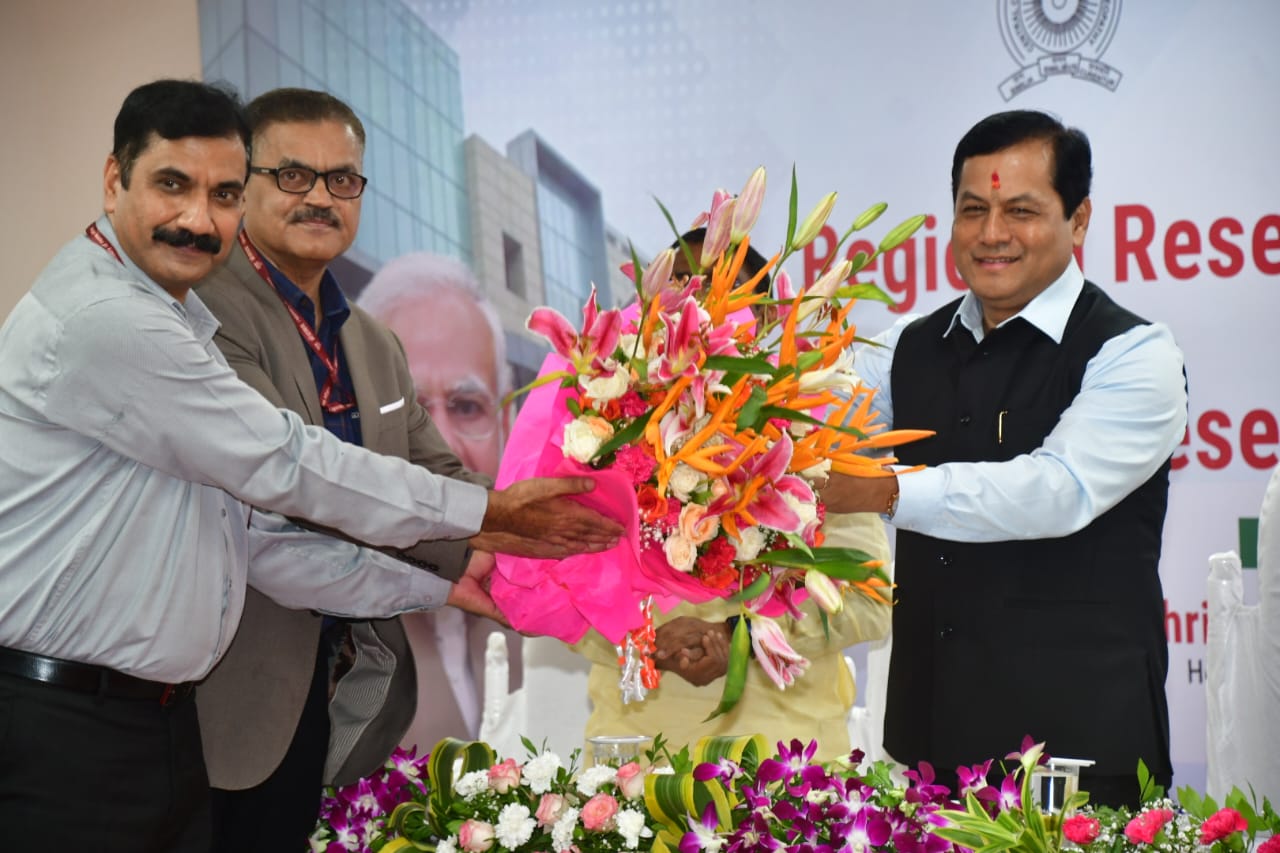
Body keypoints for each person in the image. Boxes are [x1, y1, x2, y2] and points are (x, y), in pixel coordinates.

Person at [0, 79, 621, 852]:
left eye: (221, 194)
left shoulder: (189, 316)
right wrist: (488, 515)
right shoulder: (111, 321)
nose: (198, 218)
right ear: (113, 180)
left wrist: (440, 583)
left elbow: (261, 542)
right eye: (172, 185)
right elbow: (286, 464)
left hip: (152, 728)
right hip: (67, 727)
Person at [822, 110, 1187, 806]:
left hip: (1076, 753)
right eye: (973, 210)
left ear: (1079, 220)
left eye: (1021, 210)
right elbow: (812, 433)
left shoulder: (1135, 354)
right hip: (928, 749)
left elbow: (1057, 490)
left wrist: (886, 491)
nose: (992, 233)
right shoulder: (904, 348)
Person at [190, 90, 499, 850]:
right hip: (217, 697)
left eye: (342, 179)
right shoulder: (201, 310)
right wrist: (490, 535)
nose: (321, 198)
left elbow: (438, 474)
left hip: (327, 690)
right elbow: (297, 489)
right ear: (242, 184)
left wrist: (526, 527)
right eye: (293, 176)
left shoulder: (371, 340)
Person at [573, 229, 893, 762]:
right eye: (680, 290)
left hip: (783, 757)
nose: (697, 310)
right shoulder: (597, 433)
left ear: (766, 321)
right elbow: (556, 590)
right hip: (633, 752)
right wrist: (644, 638)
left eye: (725, 294)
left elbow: (868, 601)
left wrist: (744, 636)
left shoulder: (814, 434)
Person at [360, 252, 525, 756]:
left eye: (467, 407)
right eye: (409, 413)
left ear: (506, 424)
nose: (442, 446)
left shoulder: (561, 623)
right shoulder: (312, 630)